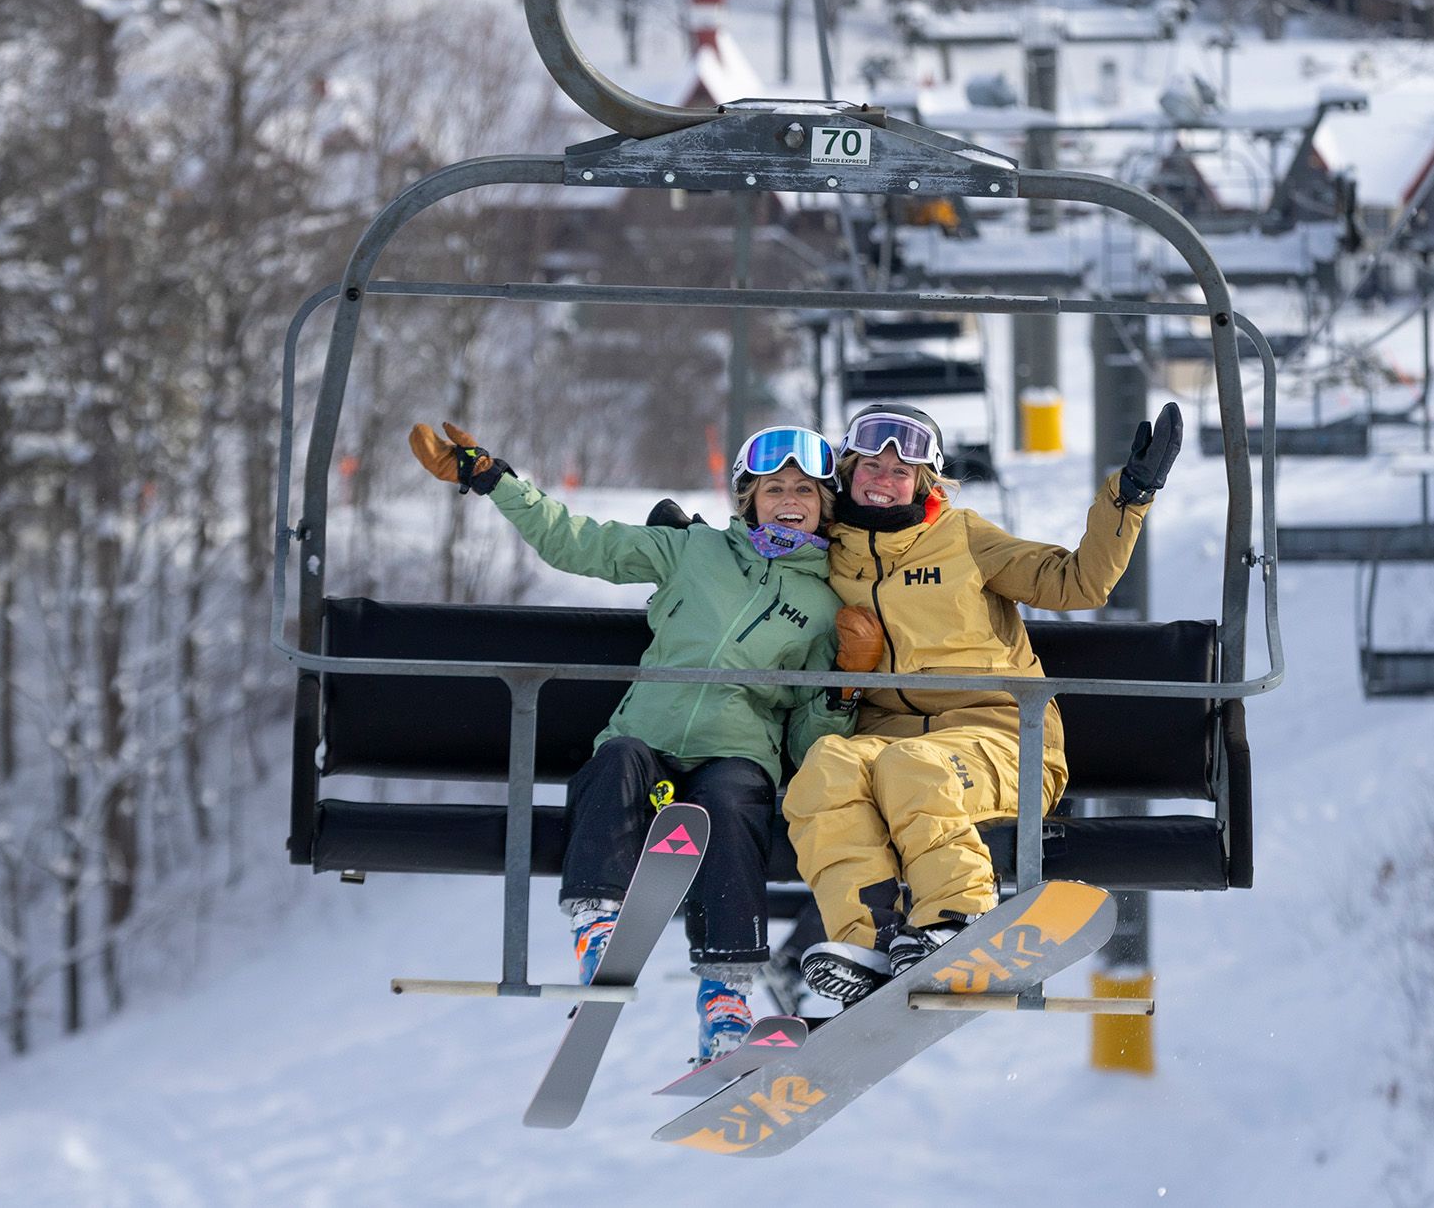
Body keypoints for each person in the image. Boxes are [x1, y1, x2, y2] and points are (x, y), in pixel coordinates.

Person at [407, 420, 851, 1062]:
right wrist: (492, 479)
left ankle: (725, 1001)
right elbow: (575, 543)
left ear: (823, 506)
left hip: (736, 754)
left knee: (733, 805)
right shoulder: (692, 550)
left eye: (805, 491)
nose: (789, 500)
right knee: (614, 761)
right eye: (773, 487)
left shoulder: (826, 604)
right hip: (648, 739)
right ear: (747, 498)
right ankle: (599, 935)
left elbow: (812, 727)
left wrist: (841, 693)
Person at [784, 399, 1183, 1005]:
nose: (883, 482)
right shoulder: (827, 550)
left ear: (924, 481)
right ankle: (870, 939)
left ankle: (959, 920)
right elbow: (758, 547)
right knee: (827, 768)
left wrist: (1128, 496)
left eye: (900, 472)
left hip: (1000, 737)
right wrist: (688, 548)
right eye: (870, 467)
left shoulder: (962, 538)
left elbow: (1078, 582)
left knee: (911, 768)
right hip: (890, 734)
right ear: (847, 472)